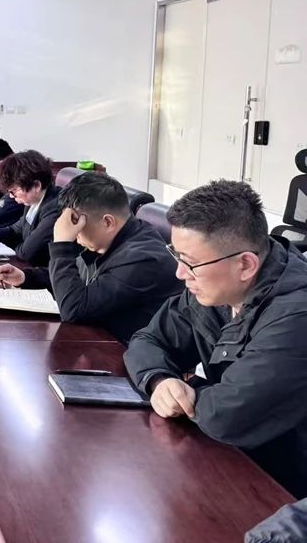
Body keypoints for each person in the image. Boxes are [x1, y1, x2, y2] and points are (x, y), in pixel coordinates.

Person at [124, 180, 307, 498]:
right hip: (233, 460)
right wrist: (160, 380)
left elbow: (227, 415)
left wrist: (190, 386)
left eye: (191, 262)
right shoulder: (214, 287)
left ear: (245, 264)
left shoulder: (296, 314)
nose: (180, 273)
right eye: (177, 256)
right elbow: (147, 340)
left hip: (286, 489)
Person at [0, 172, 181, 343]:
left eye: (78, 223)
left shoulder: (142, 259)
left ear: (108, 222)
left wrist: (61, 243)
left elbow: (74, 309)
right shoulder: (114, 239)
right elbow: (77, 276)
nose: (74, 232)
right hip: (102, 340)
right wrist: (26, 277)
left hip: (126, 353)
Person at [0, 150, 61, 267]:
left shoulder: (54, 209)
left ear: (36, 185)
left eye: (14, 191)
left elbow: (26, 253)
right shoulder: (34, 200)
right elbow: (15, 229)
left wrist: (6, 250)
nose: (11, 196)